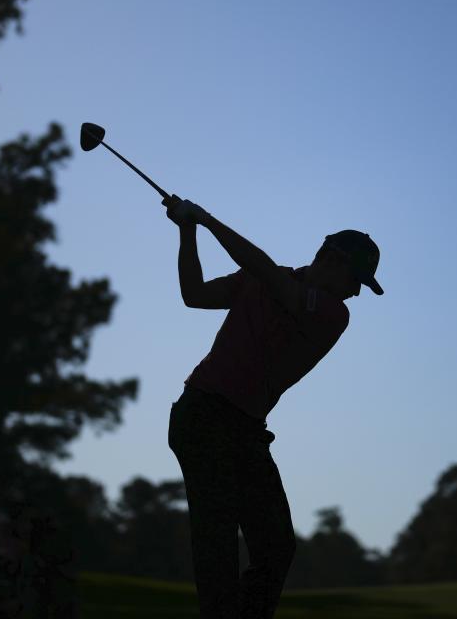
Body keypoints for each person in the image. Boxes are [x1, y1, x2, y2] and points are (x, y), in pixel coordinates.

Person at [162, 195, 383, 619]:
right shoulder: (269, 278)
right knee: (218, 538)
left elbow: (270, 277)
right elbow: (193, 294)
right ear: (332, 261)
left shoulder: (332, 314)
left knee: (276, 546)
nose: (356, 292)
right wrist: (187, 230)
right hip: (203, 414)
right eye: (356, 279)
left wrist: (205, 219)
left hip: (245, 429)